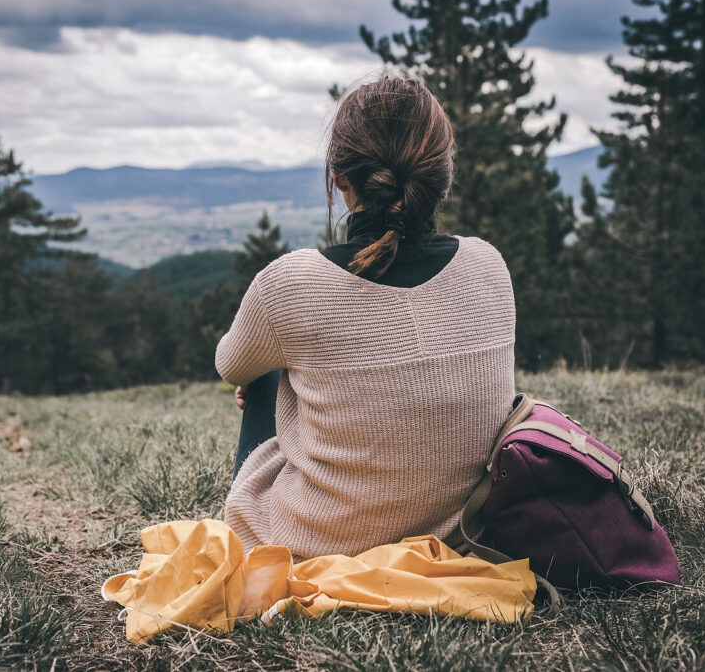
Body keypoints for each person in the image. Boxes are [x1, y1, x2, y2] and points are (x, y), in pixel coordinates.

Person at [215, 76, 515, 560]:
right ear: (443, 175)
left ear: (339, 177)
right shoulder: (489, 265)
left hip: (318, 545)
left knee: (264, 367)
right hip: (461, 538)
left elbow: (230, 365)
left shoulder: (290, 283)